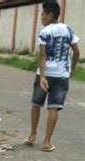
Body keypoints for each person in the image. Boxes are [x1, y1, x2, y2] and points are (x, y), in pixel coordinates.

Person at [26, 0, 80, 152]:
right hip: (62, 75)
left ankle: (32, 135)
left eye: (43, 14)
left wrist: (42, 77)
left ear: (50, 15)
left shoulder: (45, 32)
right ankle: (47, 142)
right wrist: (72, 68)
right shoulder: (68, 30)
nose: (41, 17)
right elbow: (76, 52)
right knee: (54, 108)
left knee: (36, 104)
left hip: (44, 74)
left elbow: (42, 55)